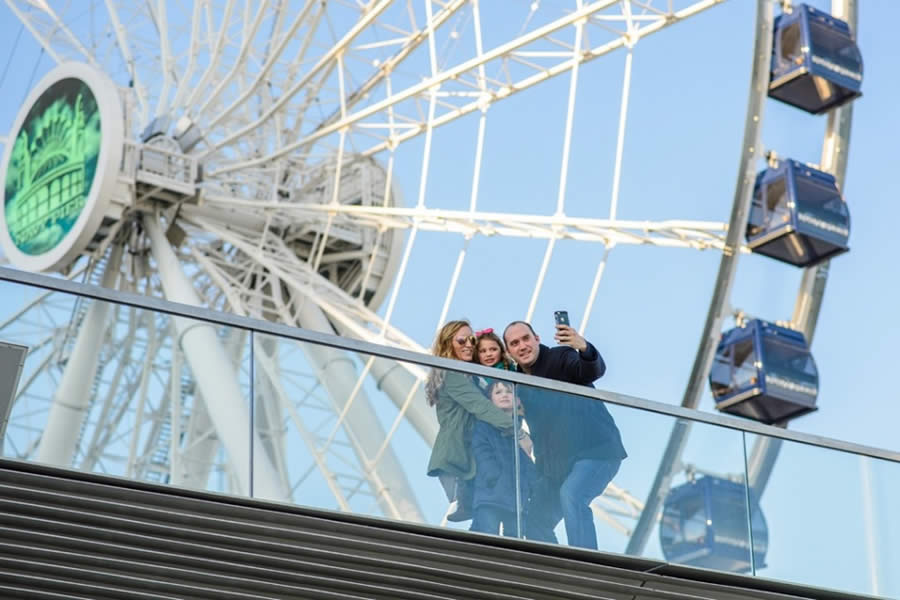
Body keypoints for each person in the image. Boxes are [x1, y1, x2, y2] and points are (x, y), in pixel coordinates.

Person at [503, 320, 626, 550]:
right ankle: (555, 570)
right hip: (555, 467)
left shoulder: (560, 357)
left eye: (526, 339)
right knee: (533, 520)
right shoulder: (516, 385)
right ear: (509, 352)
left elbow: (591, 370)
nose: (522, 346)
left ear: (537, 339)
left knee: (573, 495)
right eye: (514, 343)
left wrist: (584, 348)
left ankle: (586, 565)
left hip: (596, 453)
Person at [426, 320, 513, 522]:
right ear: (448, 344)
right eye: (461, 340)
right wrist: (515, 429)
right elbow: (479, 406)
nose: (468, 344)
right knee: (487, 510)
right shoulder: (452, 374)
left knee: (490, 509)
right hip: (461, 450)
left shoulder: (471, 376)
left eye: (472, 339)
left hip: (474, 448)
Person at [470, 380, 536, 537]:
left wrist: (532, 485)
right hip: (490, 495)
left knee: (514, 542)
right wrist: (493, 476)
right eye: (498, 392)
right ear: (490, 400)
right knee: (486, 536)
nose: (504, 395)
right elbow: (481, 450)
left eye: (509, 391)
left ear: (517, 400)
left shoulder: (521, 434)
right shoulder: (484, 425)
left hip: (516, 499)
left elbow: (527, 462)